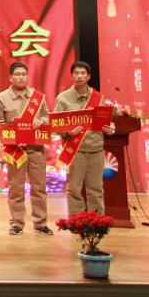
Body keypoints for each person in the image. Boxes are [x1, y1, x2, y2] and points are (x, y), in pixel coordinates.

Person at [0, 61, 52, 235]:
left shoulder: (37, 97)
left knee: (39, 187)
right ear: (10, 77)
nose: (21, 77)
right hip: (15, 150)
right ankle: (17, 223)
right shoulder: (2, 98)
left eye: (24, 74)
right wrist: (11, 139)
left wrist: (41, 121)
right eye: (17, 74)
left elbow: (48, 117)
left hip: (36, 149)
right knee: (16, 188)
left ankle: (40, 223)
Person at [54, 60, 115, 215]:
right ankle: (76, 221)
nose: (79, 76)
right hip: (76, 151)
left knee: (96, 189)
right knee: (74, 189)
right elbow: (55, 124)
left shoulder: (98, 98)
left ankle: (96, 222)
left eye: (83, 73)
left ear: (88, 76)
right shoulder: (63, 98)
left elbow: (108, 120)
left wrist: (111, 127)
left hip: (96, 150)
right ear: (72, 75)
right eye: (76, 73)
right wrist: (67, 131)